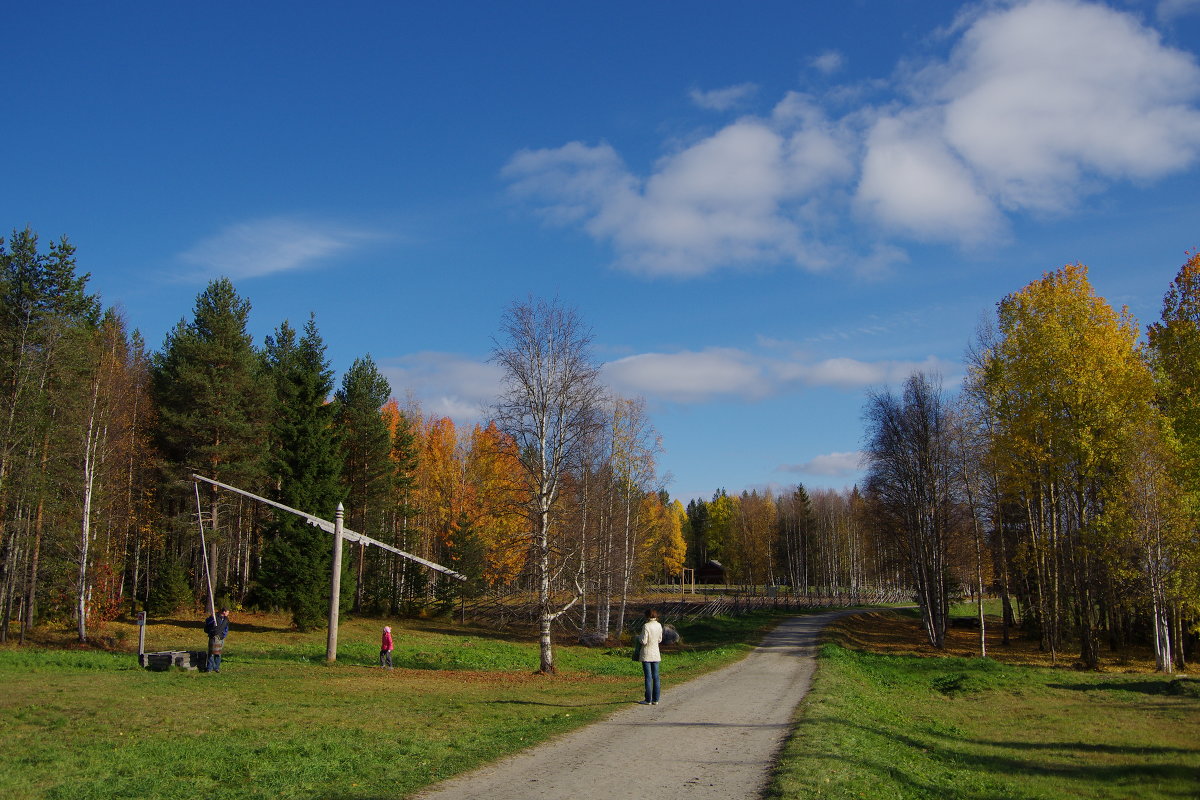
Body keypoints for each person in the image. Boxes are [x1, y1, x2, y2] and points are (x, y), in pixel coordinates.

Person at [637, 608, 663, 705]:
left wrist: (638, 638)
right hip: (656, 653)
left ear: (647, 616)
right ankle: (656, 699)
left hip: (647, 653)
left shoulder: (646, 626)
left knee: (648, 677)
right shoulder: (659, 625)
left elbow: (643, 641)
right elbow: (660, 639)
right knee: (656, 677)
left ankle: (648, 699)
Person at [204, 607, 230, 673]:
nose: (228, 613)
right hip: (213, 637)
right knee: (211, 653)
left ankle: (216, 668)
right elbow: (208, 623)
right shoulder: (214, 617)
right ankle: (209, 668)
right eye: (227, 612)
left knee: (218, 653)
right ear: (224, 612)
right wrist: (211, 617)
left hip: (221, 638)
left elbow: (226, 628)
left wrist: (223, 635)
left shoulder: (226, 619)